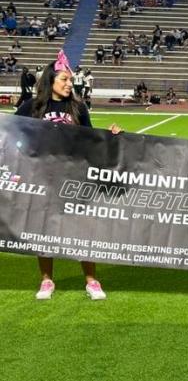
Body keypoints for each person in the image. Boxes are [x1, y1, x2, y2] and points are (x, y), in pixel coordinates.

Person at [14, 51, 121, 300]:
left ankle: (92, 281)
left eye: (70, 80)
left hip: (74, 176)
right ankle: (46, 280)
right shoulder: (32, 107)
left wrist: (111, 136)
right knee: (43, 228)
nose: (69, 84)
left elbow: (90, 138)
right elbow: (10, 132)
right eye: (64, 79)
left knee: (82, 228)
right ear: (50, 80)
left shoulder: (78, 107)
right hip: (42, 177)